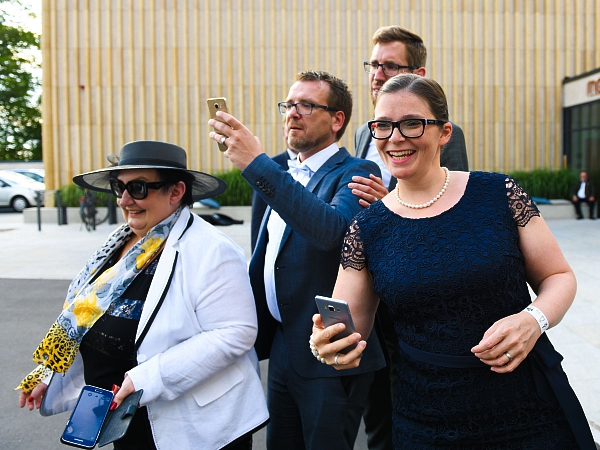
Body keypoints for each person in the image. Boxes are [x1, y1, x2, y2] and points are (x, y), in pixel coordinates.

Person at [311, 74, 596, 449]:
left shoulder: (499, 194)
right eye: (382, 126)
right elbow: (351, 333)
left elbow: (559, 276)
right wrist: (329, 346)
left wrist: (534, 319)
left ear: (444, 132)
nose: (395, 138)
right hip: (427, 420)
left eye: (412, 123)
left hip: (528, 406)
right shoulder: (366, 228)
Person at [16, 140, 269, 450]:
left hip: (196, 427)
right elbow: (82, 316)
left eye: (138, 188)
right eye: (118, 187)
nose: (124, 200)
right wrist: (52, 370)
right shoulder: (117, 242)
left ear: (176, 192)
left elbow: (236, 333)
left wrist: (146, 378)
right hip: (123, 415)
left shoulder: (213, 250)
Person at [208, 70, 386, 450]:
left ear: (337, 119)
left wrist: (257, 164)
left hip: (334, 344)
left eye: (306, 105)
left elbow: (332, 233)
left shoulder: (357, 171)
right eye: (289, 105)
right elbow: (264, 253)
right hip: (284, 342)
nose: (293, 113)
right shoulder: (275, 169)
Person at [350, 25, 470, 450]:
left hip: (418, 290)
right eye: (373, 64)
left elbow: (450, 210)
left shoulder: (440, 135)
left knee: (416, 395)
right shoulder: (366, 132)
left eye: (389, 65)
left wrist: (393, 205)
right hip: (371, 285)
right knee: (377, 403)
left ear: (418, 71)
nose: (377, 73)